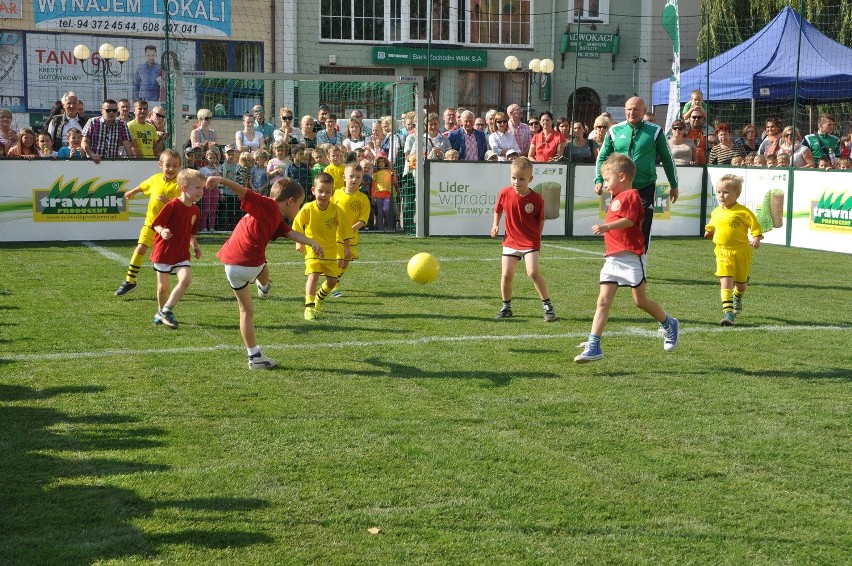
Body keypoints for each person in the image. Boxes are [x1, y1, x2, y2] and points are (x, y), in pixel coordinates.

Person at [575, 154, 680, 363]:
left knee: (640, 302)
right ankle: (594, 345)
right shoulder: (615, 198)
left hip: (632, 257)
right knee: (602, 301)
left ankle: (669, 323)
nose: (604, 184)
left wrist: (606, 227)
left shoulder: (631, 196)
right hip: (612, 259)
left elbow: (630, 221)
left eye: (607, 179)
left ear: (621, 177)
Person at [214, 175, 324, 369]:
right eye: (299, 204)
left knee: (245, 310)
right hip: (251, 265)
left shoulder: (274, 216)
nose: (299, 209)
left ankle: (254, 356)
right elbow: (243, 191)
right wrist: (221, 180)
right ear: (290, 201)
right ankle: (264, 287)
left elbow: (291, 233)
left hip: (230, 266)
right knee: (263, 266)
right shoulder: (268, 205)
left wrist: (311, 242)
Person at [595, 97, 679, 252]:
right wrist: (599, 180)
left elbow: (667, 159)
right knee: (618, 225)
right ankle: (618, 259)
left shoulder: (655, 131)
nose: (631, 112)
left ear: (644, 111)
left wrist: (674, 185)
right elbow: (602, 157)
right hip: (620, 189)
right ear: (624, 110)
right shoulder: (614, 131)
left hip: (645, 188)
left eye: (636, 109)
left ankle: (641, 265)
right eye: (629, 109)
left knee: (642, 227)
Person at [490, 157, 556, 322]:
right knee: (506, 275)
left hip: (530, 241)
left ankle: (547, 305)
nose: (516, 182)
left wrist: (537, 238)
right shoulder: (504, 193)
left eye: (521, 179)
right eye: (513, 177)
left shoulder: (536, 199)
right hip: (511, 240)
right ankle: (506, 307)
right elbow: (498, 209)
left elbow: (541, 220)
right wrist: (495, 225)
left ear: (530, 179)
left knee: (533, 272)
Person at [114, 149, 183, 296]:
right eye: (168, 165)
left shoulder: (180, 184)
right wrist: (132, 192)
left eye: (175, 166)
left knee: (167, 258)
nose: (171, 169)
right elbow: (143, 186)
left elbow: (183, 206)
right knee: (140, 249)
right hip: (151, 223)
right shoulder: (155, 179)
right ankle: (130, 281)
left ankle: (169, 273)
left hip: (169, 228)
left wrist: (168, 202)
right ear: (160, 165)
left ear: (180, 167)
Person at [292, 172, 354, 321]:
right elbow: (297, 225)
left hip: (330, 250)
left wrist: (346, 247)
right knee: (312, 277)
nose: (324, 195)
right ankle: (309, 307)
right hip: (312, 249)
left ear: (332, 192)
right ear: (313, 190)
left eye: (327, 192)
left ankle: (319, 298)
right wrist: (298, 241)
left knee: (332, 281)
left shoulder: (336, 210)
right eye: (320, 191)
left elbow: (345, 228)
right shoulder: (307, 208)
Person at [704, 174, 762, 326]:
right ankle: (728, 314)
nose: (721, 196)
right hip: (722, 251)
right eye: (719, 192)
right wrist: (708, 232)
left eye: (726, 192)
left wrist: (756, 238)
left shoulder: (743, 212)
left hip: (741, 252)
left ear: (737, 194)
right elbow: (712, 225)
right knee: (725, 280)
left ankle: (738, 296)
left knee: (741, 284)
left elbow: (755, 226)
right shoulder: (716, 211)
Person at [148, 168, 204, 328]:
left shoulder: (195, 210)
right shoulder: (173, 205)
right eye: (198, 188)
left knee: (186, 279)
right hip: (163, 253)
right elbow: (156, 224)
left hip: (181, 254)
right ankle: (161, 310)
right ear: (184, 188)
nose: (201, 191)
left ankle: (167, 310)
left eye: (202, 188)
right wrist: (162, 230)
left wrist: (196, 246)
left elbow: (191, 233)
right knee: (162, 288)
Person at [330, 162, 370, 297]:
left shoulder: (363, 199)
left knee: (346, 261)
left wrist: (352, 228)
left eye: (358, 177)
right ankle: (334, 286)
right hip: (335, 235)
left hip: (352, 236)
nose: (354, 180)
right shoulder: (335, 194)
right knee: (339, 260)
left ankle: (335, 279)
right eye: (351, 176)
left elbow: (363, 219)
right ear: (344, 177)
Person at [199, 148, 220, 232]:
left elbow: (219, 177)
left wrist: (216, 169)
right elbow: (201, 180)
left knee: (213, 210)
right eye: (210, 158)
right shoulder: (203, 169)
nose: (212, 160)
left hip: (215, 190)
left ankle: (212, 227)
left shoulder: (218, 168)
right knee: (206, 209)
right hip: (206, 190)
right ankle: (204, 227)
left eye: (214, 158)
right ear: (206, 158)